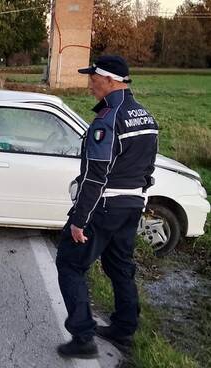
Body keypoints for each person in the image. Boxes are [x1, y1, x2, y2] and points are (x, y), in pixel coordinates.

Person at [55, 55, 159, 359]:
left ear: (110, 80)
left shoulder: (107, 119)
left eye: (93, 78)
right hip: (131, 205)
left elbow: (94, 175)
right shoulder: (146, 116)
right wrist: (135, 195)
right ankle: (124, 329)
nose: (90, 84)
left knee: (70, 264)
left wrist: (79, 220)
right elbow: (148, 167)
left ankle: (83, 336)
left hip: (103, 206)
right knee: (120, 266)